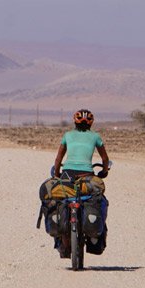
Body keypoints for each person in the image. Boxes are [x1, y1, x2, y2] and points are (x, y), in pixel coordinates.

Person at [52, 109, 109, 258]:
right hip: (87, 177)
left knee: (60, 201)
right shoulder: (95, 136)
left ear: (74, 122)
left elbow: (58, 160)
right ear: (91, 123)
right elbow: (105, 160)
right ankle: (95, 238)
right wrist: (105, 171)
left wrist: (57, 174)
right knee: (98, 200)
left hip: (67, 175)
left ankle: (61, 243)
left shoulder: (67, 135)